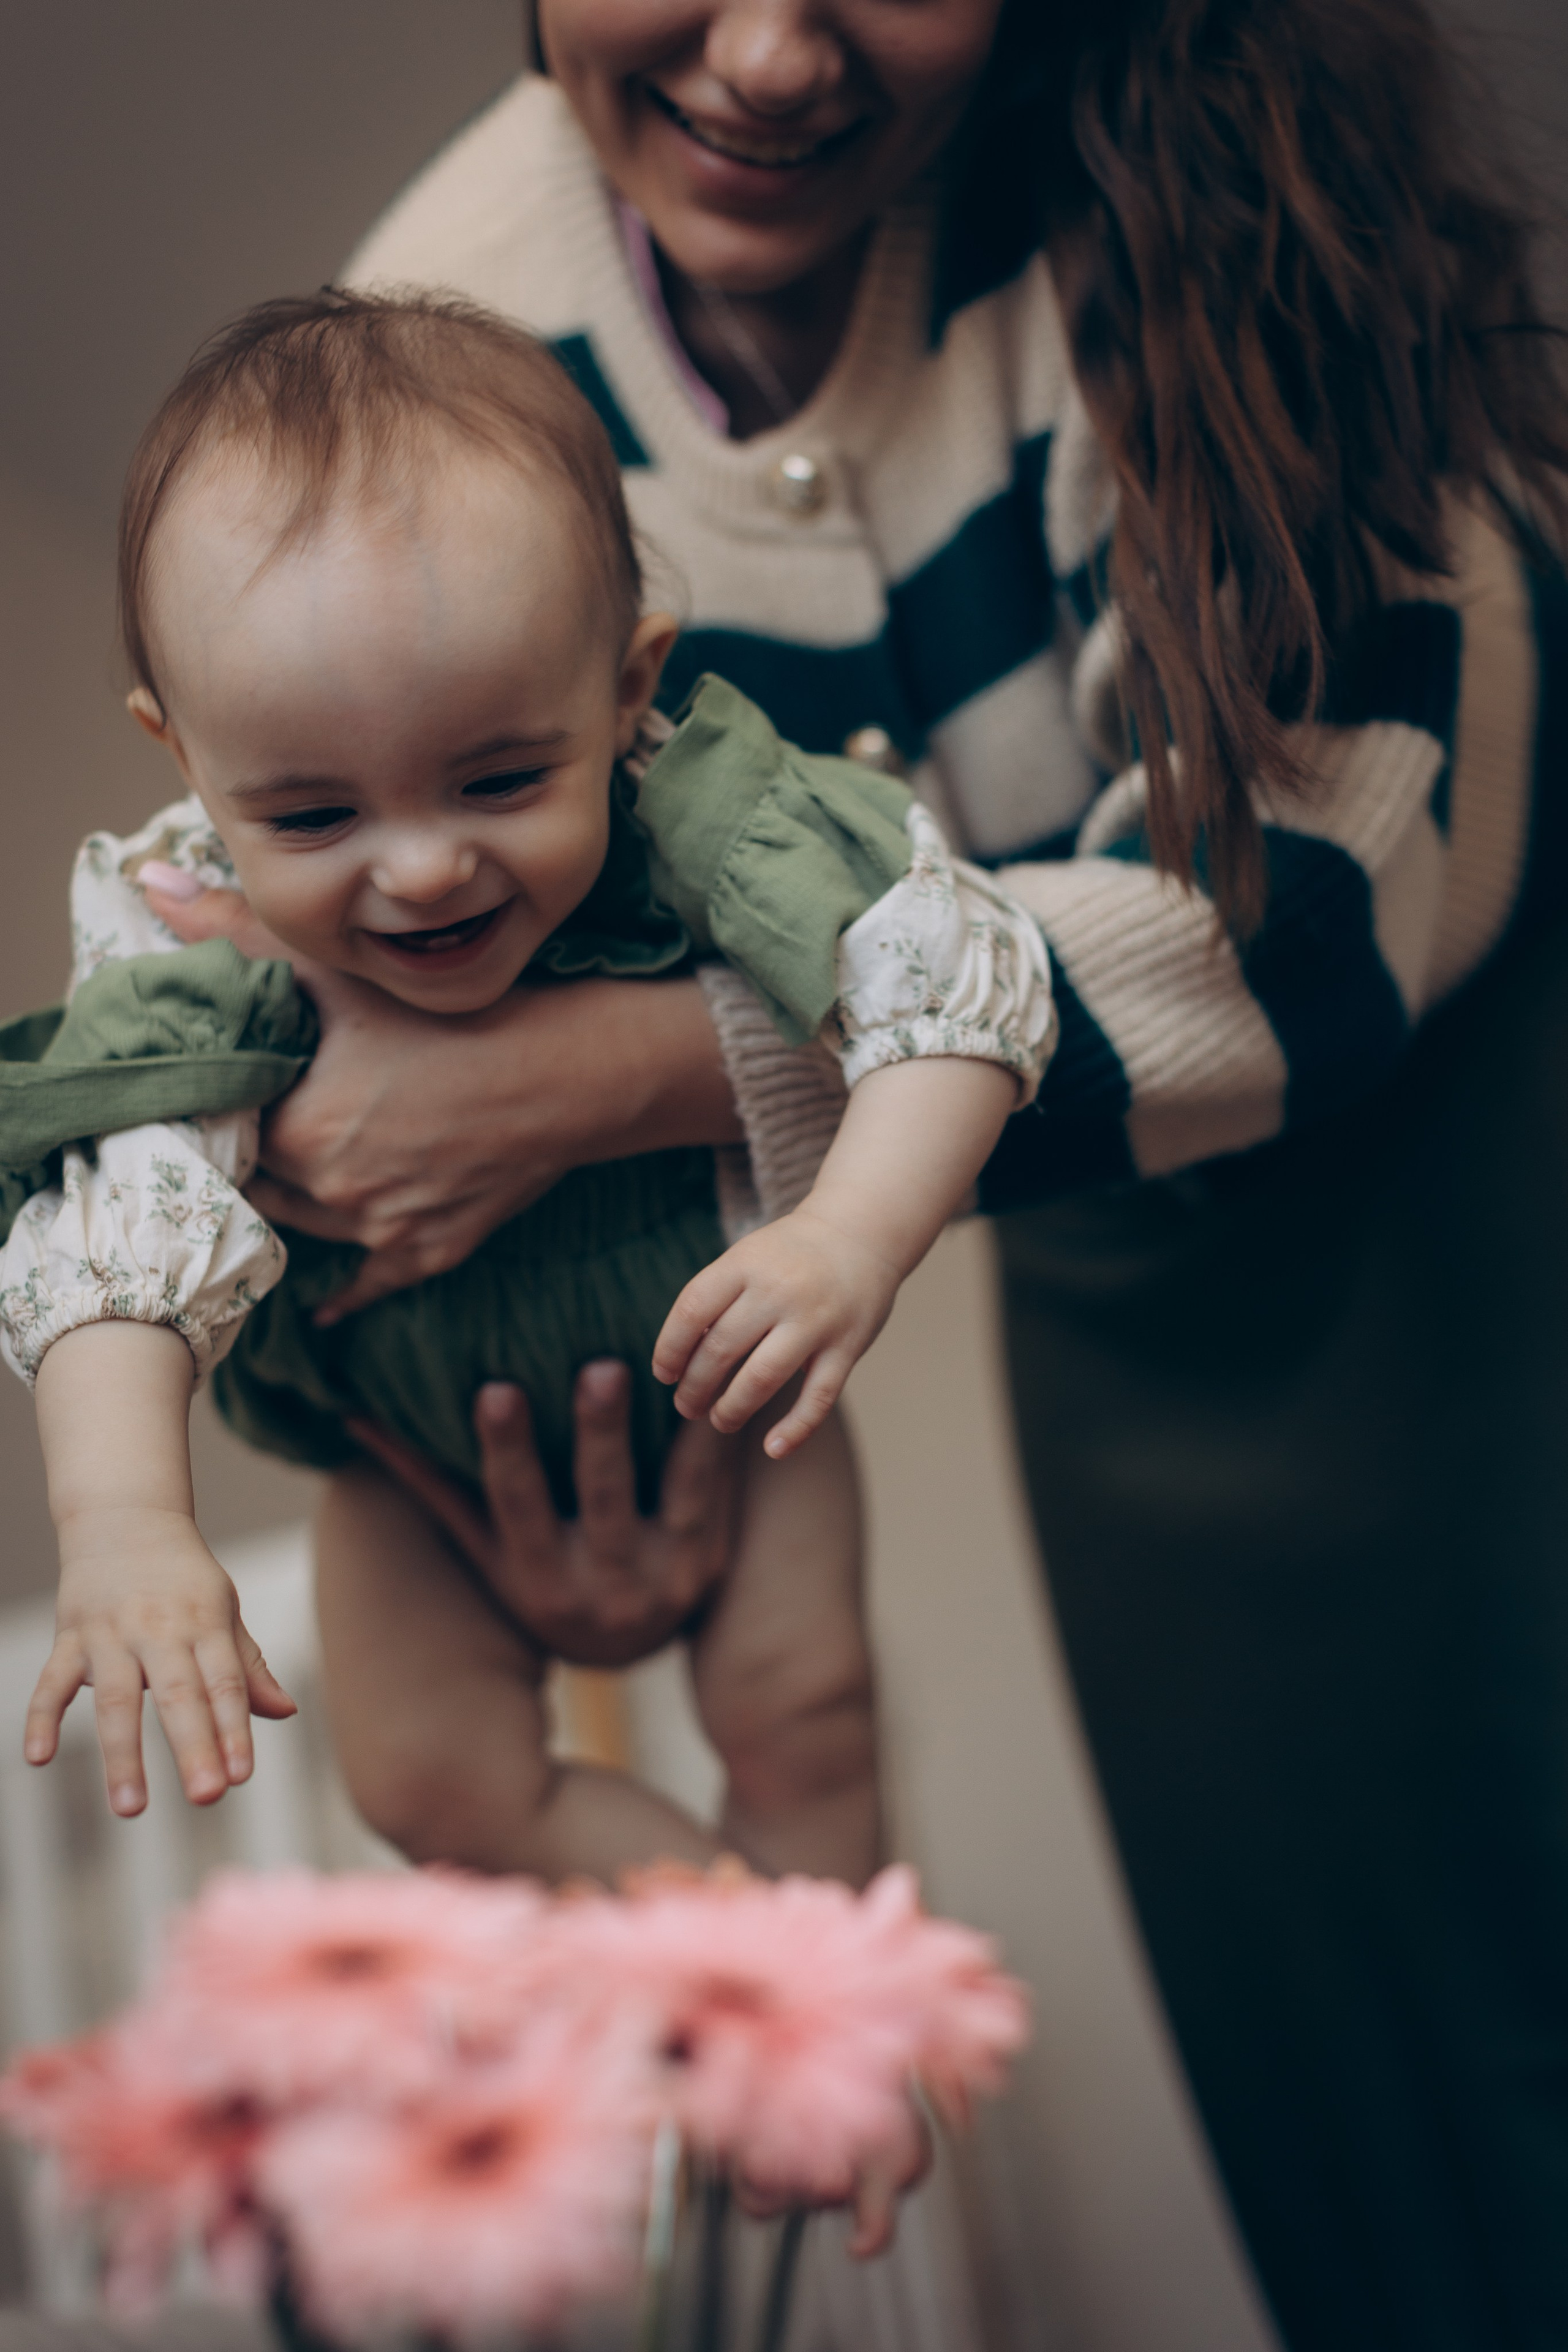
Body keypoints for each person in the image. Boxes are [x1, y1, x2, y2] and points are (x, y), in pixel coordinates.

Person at [136, 2, 1568, 2344]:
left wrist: (613, 1084)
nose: (776, 52)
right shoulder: (438, 375)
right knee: (1357, 2095)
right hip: (1111, 1263)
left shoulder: (1219, 222)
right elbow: (380, 1077)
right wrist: (545, 1492)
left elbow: (1325, 927)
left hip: (1479, 1173)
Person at [0, 288, 1053, 1893]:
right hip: (407, 1463)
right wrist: (127, 1522)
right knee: (428, 1785)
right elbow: (114, 1242)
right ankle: (731, 1961)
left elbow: (952, 985)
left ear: (627, 690)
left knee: (810, 1708)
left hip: (727, 1389)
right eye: (309, 817)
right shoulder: (187, 937)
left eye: (501, 779)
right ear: (187, 765)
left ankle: (842, 2035)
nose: (421, 867)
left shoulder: (704, 811)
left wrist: (851, 1237)